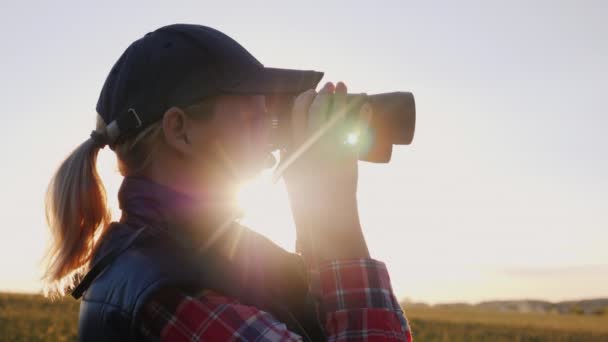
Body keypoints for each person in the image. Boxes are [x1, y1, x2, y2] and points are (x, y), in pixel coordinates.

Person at [43, 24, 412, 341]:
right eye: (254, 118)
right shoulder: (173, 300)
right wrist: (336, 219)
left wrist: (313, 215)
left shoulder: (179, 257)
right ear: (180, 131)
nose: (269, 135)